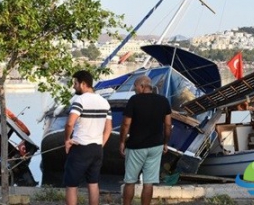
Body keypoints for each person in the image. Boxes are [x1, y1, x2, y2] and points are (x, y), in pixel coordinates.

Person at [120, 75, 172, 205]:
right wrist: (165, 142)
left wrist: (121, 142)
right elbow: (167, 125)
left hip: (136, 146)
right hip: (156, 146)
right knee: (149, 183)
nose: (134, 89)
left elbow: (126, 124)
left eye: (135, 86)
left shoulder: (134, 100)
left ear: (142, 86)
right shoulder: (163, 101)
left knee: (130, 181)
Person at [63, 70, 112, 205]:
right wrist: (101, 144)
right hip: (97, 148)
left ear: (83, 84)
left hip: (80, 148)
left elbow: (69, 123)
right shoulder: (104, 102)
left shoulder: (80, 100)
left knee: (72, 185)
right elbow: (109, 128)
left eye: (75, 83)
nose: (74, 86)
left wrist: (67, 140)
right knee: (93, 183)